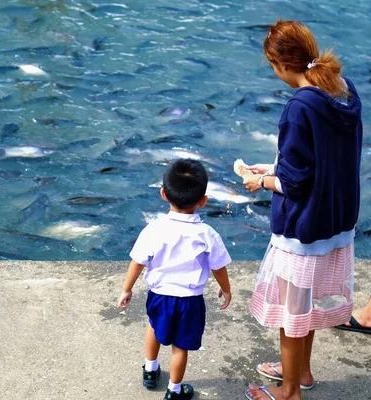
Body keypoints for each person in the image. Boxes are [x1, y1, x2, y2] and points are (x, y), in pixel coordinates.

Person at [241, 20, 363, 400]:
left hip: (304, 227)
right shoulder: (343, 91)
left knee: (291, 315)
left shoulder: (299, 107)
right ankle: (302, 371)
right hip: (337, 219)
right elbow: (322, 159)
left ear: (279, 64)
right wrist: (276, 167)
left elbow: (294, 185)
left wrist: (261, 181)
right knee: (304, 305)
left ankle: (290, 391)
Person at [117, 158, 232, 400]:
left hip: (159, 296)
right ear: (203, 201)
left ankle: (150, 370)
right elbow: (218, 266)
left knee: (154, 326)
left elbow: (137, 261)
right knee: (180, 348)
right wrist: (226, 289)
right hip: (189, 301)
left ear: (163, 194)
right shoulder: (207, 234)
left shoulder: (153, 229)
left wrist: (126, 289)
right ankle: (174, 391)